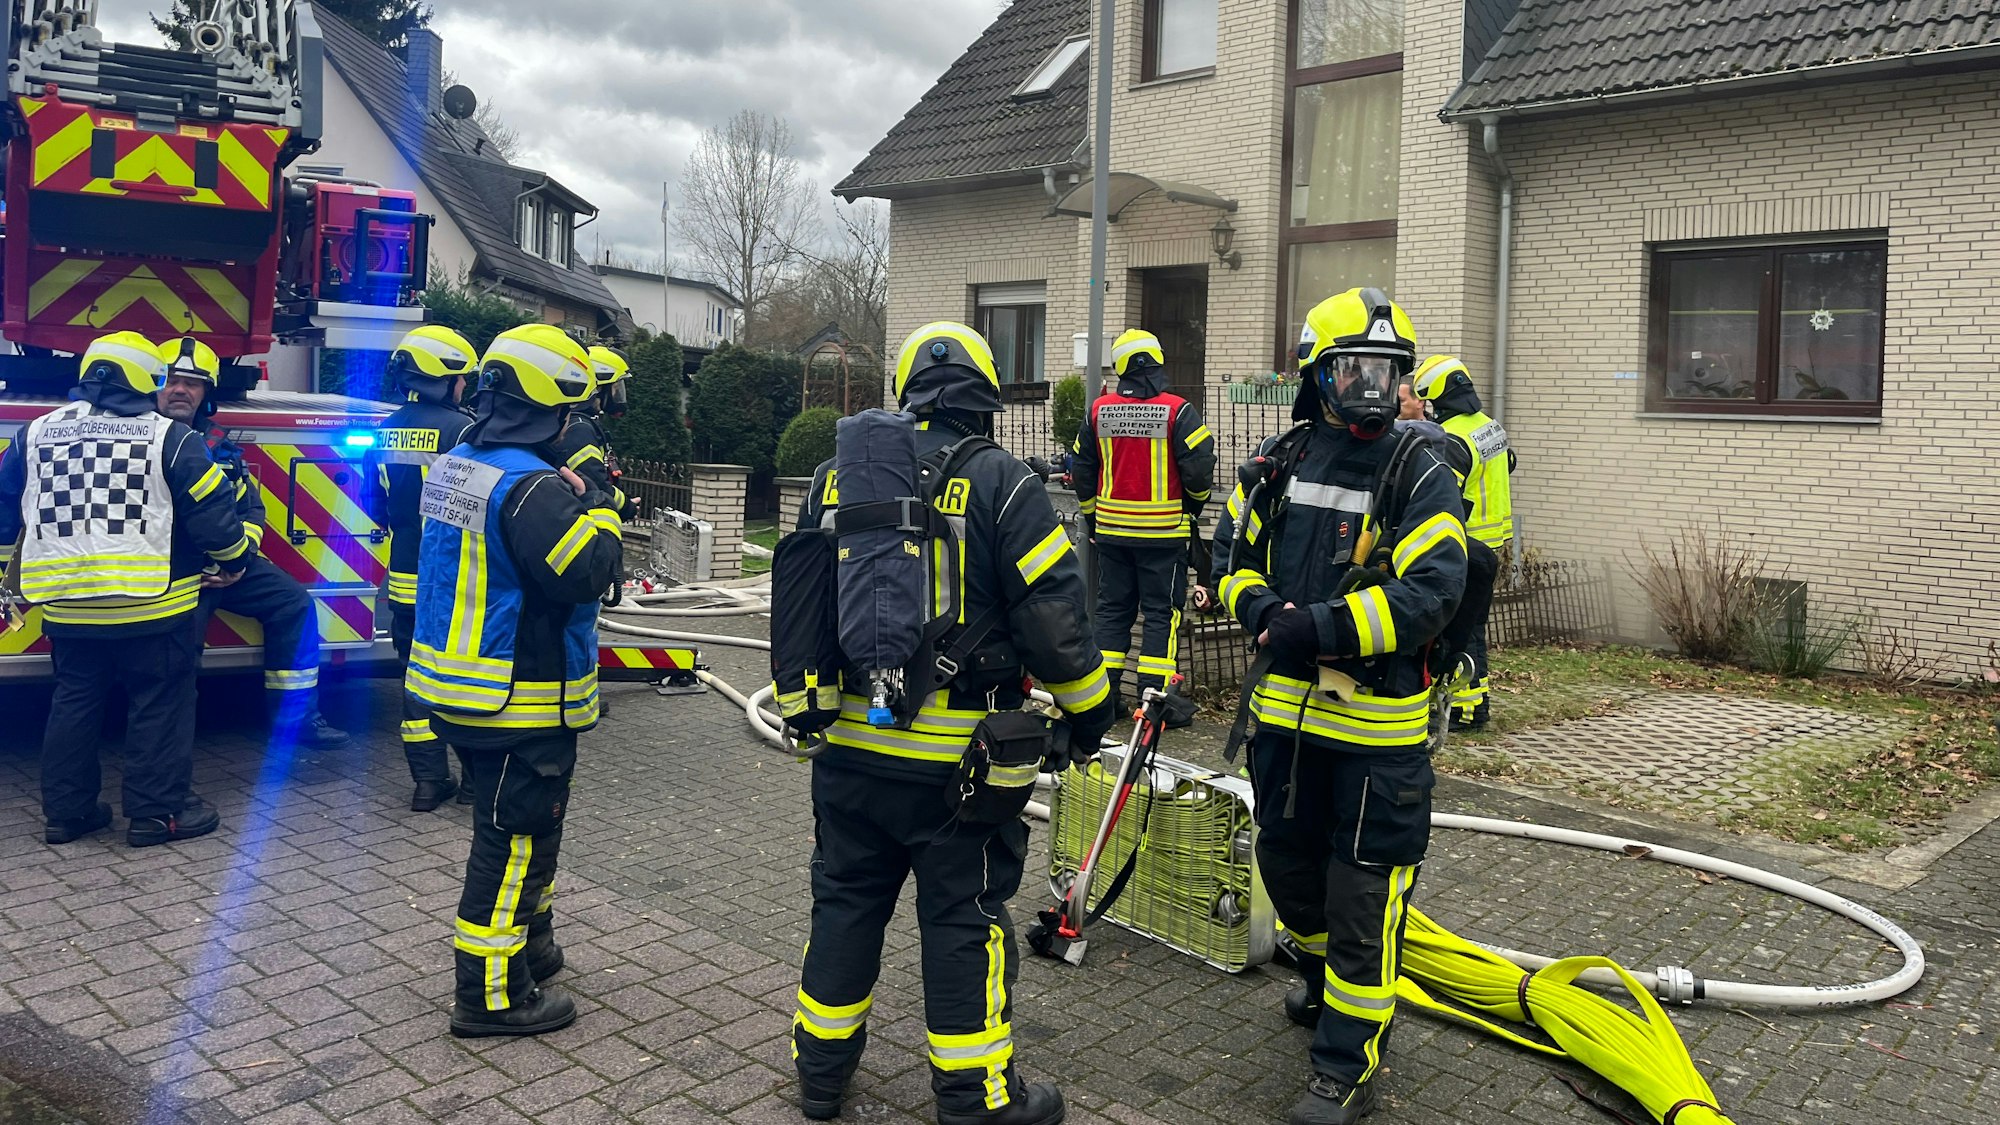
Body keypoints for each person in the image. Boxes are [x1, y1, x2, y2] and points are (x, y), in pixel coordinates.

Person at [791, 322, 1117, 1125]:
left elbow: (800, 604)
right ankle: (975, 1098)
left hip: (849, 749)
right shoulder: (1005, 483)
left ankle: (820, 1077)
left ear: (908, 394)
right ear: (986, 398)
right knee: (963, 919)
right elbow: (1056, 624)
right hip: (961, 770)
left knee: (844, 904)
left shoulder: (834, 479)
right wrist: (1090, 710)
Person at [1210, 289, 1467, 1125]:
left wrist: (1319, 625)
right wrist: (1257, 611)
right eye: (1354, 369)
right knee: (1288, 871)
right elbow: (1229, 551)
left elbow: (1431, 591)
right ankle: (1327, 986)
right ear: (1317, 375)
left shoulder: (1420, 469)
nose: (1372, 388)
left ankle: (1344, 1062)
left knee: (1362, 901)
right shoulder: (1276, 462)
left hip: (1377, 742)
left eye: (1387, 372)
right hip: (1286, 726)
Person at [406, 324, 622, 1039]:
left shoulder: (457, 465)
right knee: (510, 843)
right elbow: (586, 572)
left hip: (460, 688)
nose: (569, 425)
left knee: (527, 834)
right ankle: (490, 995)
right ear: (545, 409)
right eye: (566, 413)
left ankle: (533, 946)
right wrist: (600, 507)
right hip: (518, 701)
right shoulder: (533, 489)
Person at [0, 332, 253, 846]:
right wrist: (236, 561)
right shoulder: (171, 438)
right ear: (147, 379)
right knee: (159, 706)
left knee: (74, 704)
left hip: (69, 609)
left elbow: (7, 512)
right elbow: (214, 520)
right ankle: (157, 815)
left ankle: (67, 816)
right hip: (155, 610)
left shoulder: (35, 434)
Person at [154, 337, 350, 752]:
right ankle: (168, 746)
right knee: (177, 655)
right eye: (171, 379)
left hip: (227, 567)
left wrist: (238, 563)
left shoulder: (217, 444)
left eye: (192, 383)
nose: (180, 389)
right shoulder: (142, 440)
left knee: (293, 602)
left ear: (207, 393)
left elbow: (251, 509)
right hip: (171, 576)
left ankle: (295, 722)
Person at [1069, 328, 1215, 710]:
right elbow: (1199, 471)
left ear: (1120, 366)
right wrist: (1193, 508)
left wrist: (1093, 520)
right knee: (1160, 616)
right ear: (1158, 360)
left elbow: (1081, 470)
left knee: (1112, 613)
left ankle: (1104, 699)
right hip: (1164, 537)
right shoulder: (1178, 410)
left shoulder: (1098, 410)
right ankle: (1154, 704)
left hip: (1113, 535)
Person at [369, 325, 478, 810]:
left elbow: (376, 504)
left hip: (404, 581)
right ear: (444, 378)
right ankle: (475, 781)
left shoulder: (383, 428)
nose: (465, 387)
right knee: (465, 679)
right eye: (462, 378)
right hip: (454, 583)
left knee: (415, 682)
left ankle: (429, 782)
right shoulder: (465, 431)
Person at [1410, 355, 1514, 729]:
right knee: (1474, 629)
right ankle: (1477, 702)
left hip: (1465, 546)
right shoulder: (1489, 427)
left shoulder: (1452, 438)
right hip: (1492, 543)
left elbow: (1443, 494)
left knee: (1460, 631)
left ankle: (1468, 710)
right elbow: (1510, 464)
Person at [554, 345, 639, 520]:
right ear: (598, 387)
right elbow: (595, 483)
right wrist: (626, 505)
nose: (618, 394)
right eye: (615, 387)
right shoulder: (579, 429)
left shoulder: (578, 423)